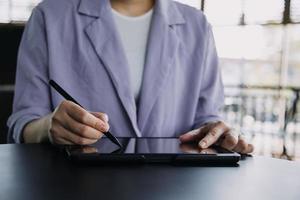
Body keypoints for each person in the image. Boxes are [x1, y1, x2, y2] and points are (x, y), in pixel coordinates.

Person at [7, 0, 253, 154]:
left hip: (174, 186)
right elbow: (24, 122)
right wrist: (50, 126)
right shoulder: (49, 16)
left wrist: (215, 132)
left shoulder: (196, 24)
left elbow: (206, 117)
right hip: (76, 185)